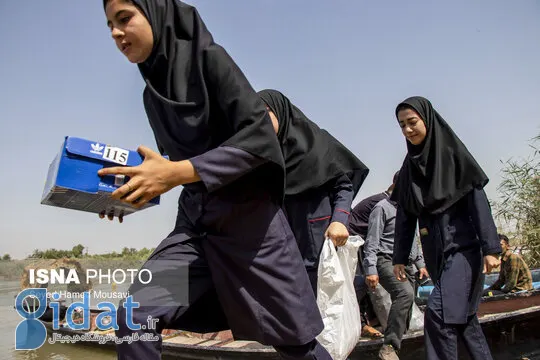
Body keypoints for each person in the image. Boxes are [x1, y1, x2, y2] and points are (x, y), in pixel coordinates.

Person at [100, 1, 333, 359]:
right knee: (136, 314)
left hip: (251, 232)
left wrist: (176, 172)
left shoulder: (209, 60)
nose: (116, 33)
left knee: (295, 343)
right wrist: (128, 195)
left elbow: (259, 139)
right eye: (110, 26)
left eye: (124, 19)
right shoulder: (152, 96)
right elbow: (171, 170)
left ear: (155, 12)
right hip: (195, 231)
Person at [391, 96, 501, 360]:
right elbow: (405, 218)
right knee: (462, 320)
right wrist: (399, 257)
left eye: (412, 122)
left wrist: (491, 248)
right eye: (402, 125)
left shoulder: (454, 157)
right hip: (436, 255)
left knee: (439, 315)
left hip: (464, 252)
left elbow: (478, 204)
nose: (407, 130)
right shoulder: (409, 170)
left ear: (427, 120)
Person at [257, 89, 370, 292]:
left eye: (265, 112)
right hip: (284, 253)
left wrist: (338, 221)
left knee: (329, 311)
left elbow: (344, 186)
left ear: (280, 111)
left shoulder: (317, 144)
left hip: (321, 244)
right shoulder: (264, 156)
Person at [362, 171, 429, 360]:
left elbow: (412, 240)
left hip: (406, 263)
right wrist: (371, 269)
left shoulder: (409, 209)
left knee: (407, 304)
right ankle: (389, 347)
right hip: (386, 260)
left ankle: (401, 347)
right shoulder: (381, 208)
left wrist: (420, 264)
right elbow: (371, 241)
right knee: (404, 293)